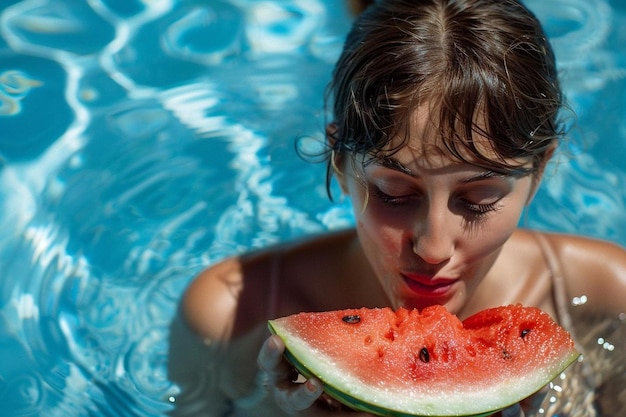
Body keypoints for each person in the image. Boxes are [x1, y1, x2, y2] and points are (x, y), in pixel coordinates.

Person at [168, 0, 626, 416]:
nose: (433, 247)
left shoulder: (608, 297)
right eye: (395, 194)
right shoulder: (228, 317)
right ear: (340, 162)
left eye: (479, 199)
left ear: (540, 170)